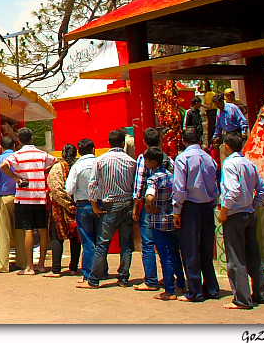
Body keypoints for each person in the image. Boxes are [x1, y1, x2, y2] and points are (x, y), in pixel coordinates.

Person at [77, 129, 137, 289]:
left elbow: (93, 185)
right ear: (123, 143)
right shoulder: (131, 162)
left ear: (109, 143)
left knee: (103, 243)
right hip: (127, 204)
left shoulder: (101, 160)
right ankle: (124, 277)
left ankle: (94, 279)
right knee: (126, 244)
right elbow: (136, 186)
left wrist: (95, 206)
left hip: (109, 206)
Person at [218, 133, 264, 309]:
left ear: (226, 146)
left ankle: (242, 299)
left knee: (236, 258)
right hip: (249, 214)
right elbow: (263, 190)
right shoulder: (250, 164)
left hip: (235, 215)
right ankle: (261, 294)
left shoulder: (229, 164)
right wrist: (253, 206)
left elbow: (232, 191)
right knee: (254, 256)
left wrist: (224, 211)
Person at [173, 126, 220, 302]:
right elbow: (215, 186)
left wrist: (176, 210)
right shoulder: (209, 159)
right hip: (207, 206)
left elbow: (180, 188)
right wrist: (213, 203)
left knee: (190, 248)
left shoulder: (182, 159)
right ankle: (212, 288)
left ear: (184, 141)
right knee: (206, 249)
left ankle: (194, 290)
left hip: (190, 207)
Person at [1, 127, 56, 275]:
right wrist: (42, 173)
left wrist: (17, 178)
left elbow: (3, 166)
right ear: (32, 139)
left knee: (28, 231)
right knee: (43, 230)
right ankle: (41, 265)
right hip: (40, 196)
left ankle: (29, 267)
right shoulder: (42, 154)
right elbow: (55, 162)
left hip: (24, 198)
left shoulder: (17, 155)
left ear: (19, 141)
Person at [143, 147, 185, 300]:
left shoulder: (154, 178)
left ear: (153, 162)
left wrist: (148, 206)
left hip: (158, 222)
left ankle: (169, 289)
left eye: (147, 161)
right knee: (174, 253)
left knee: (164, 255)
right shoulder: (170, 176)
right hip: (171, 219)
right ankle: (180, 283)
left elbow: (149, 196)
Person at [66, 138, 105, 283]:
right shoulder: (100, 163)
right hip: (100, 204)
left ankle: (89, 274)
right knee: (100, 239)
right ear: (93, 149)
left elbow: (69, 188)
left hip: (83, 205)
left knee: (88, 241)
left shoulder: (77, 167)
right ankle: (102, 271)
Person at [0, 136, 27, 273]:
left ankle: (3, 265)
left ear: (0, 147)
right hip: (19, 196)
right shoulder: (19, 158)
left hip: (2, 198)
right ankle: (22, 262)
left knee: (2, 232)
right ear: (14, 146)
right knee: (19, 232)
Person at [131, 127, 162, 292]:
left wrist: (136, 206)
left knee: (148, 242)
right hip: (164, 205)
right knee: (165, 242)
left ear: (144, 141)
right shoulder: (167, 159)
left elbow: (140, 184)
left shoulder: (143, 159)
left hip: (149, 205)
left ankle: (151, 279)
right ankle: (169, 276)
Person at [45, 144, 80, 277]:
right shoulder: (77, 167)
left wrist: (65, 203)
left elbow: (56, 189)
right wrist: (72, 205)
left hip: (59, 207)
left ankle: (56, 269)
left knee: (57, 237)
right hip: (75, 206)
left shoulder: (57, 168)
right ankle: (73, 267)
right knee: (74, 238)